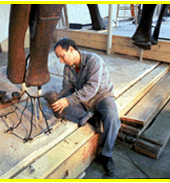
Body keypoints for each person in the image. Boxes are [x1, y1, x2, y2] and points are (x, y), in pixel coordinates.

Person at [51, 37, 121, 176]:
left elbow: (91, 89)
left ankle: (106, 155)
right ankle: (90, 116)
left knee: (112, 117)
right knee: (60, 108)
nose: (61, 61)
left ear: (71, 50)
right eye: (59, 58)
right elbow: (67, 89)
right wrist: (60, 100)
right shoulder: (68, 68)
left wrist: (69, 100)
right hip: (83, 101)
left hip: (101, 96)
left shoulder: (94, 61)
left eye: (62, 56)